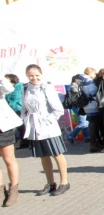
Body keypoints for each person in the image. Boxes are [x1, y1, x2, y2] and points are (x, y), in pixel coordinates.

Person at [21, 64, 70, 196]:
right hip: (34, 128)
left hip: (48, 127)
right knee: (43, 155)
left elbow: (58, 109)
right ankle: (50, 183)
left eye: (37, 75)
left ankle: (64, 182)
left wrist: (47, 120)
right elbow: (24, 108)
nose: (34, 78)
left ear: (41, 74)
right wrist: (25, 120)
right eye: (31, 75)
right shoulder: (25, 88)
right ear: (27, 75)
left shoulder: (47, 87)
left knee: (57, 154)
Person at [0, 76, 22, 207]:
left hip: (4, 127)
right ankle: (1, 190)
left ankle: (14, 190)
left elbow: (9, 88)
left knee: (9, 159)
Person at [82, 68, 104, 152]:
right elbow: (93, 93)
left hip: (87, 106)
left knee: (92, 125)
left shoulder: (82, 82)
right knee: (93, 125)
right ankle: (93, 144)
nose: (95, 75)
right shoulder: (89, 82)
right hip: (93, 106)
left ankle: (95, 143)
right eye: (94, 73)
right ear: (90, 73)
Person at [4, 74, 27, 149]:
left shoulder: (18, 86)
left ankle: (25, 142)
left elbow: (16, 98)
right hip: (12, 109)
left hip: (18, 108)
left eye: (7, 79)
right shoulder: (9, 88)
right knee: (18, 127)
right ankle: (23, 142)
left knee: (21, 126)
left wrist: (10, 105)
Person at [65, 75, 90, 145]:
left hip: (76, 106)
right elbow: (79, 95)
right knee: (83, 123)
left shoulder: (72, 86)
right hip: (77, 106)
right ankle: (70, 136)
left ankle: (87, 137)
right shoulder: (73, 86)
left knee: (85, 122)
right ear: (76, 79)